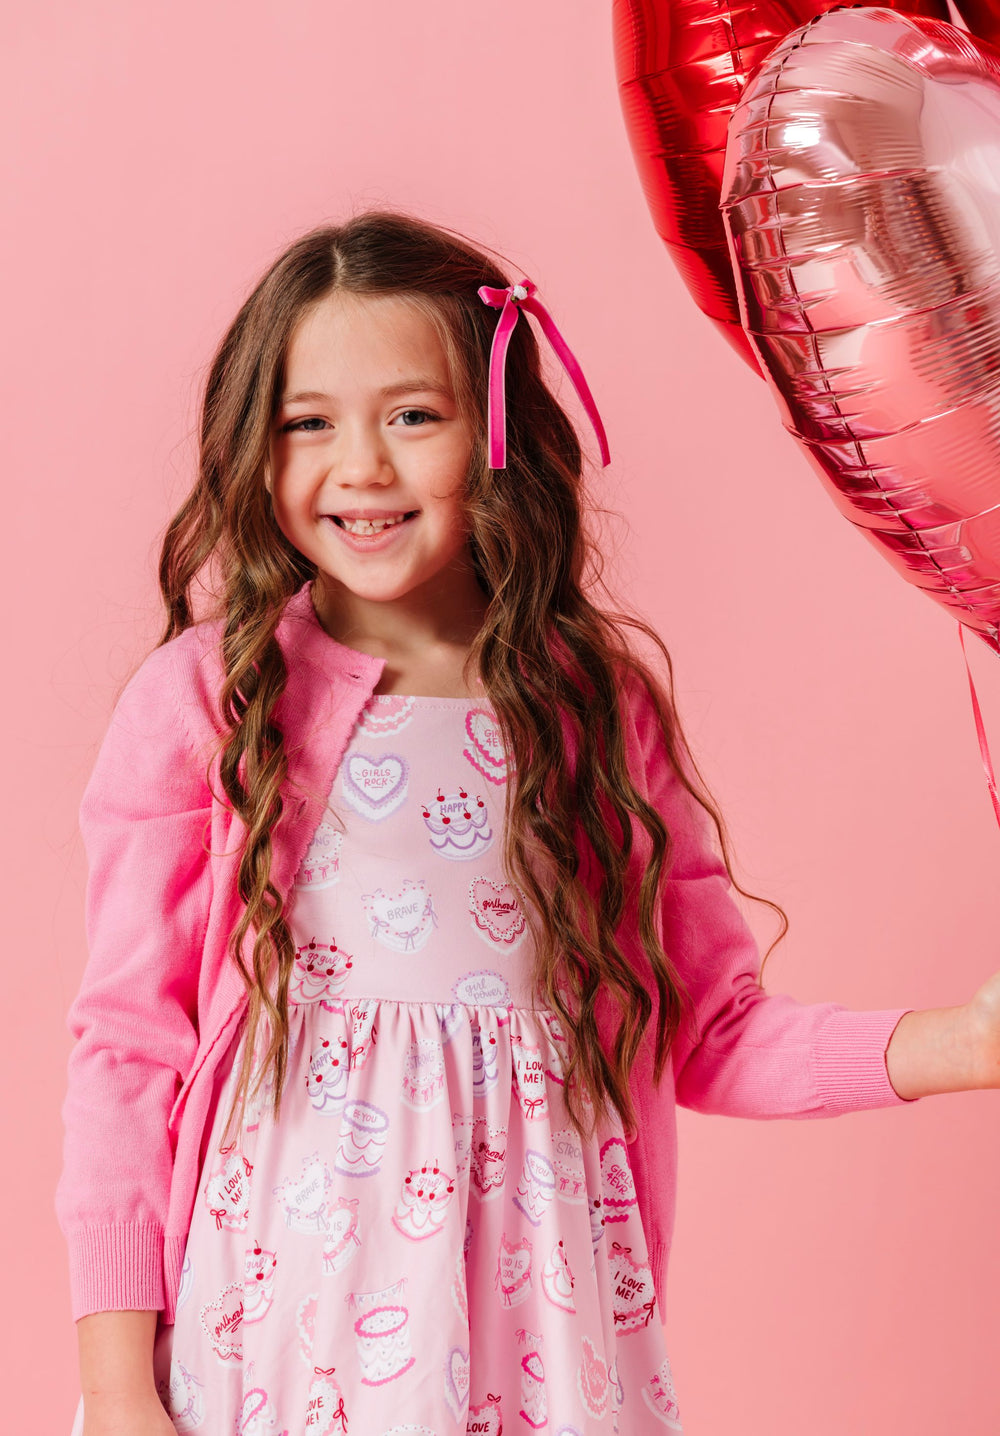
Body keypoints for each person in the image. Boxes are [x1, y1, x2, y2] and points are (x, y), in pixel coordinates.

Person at [56, 208, 1000, 1436]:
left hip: (542, 1338)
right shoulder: (208, 701)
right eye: (307, 423)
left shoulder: (588, 708)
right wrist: (117, 1385)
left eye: (412, 415)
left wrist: (957, 1044)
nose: (361, 467)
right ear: (254, 448)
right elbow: (129, 1051)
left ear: (496, 430)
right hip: (283, 1330)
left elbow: (706, 1029)